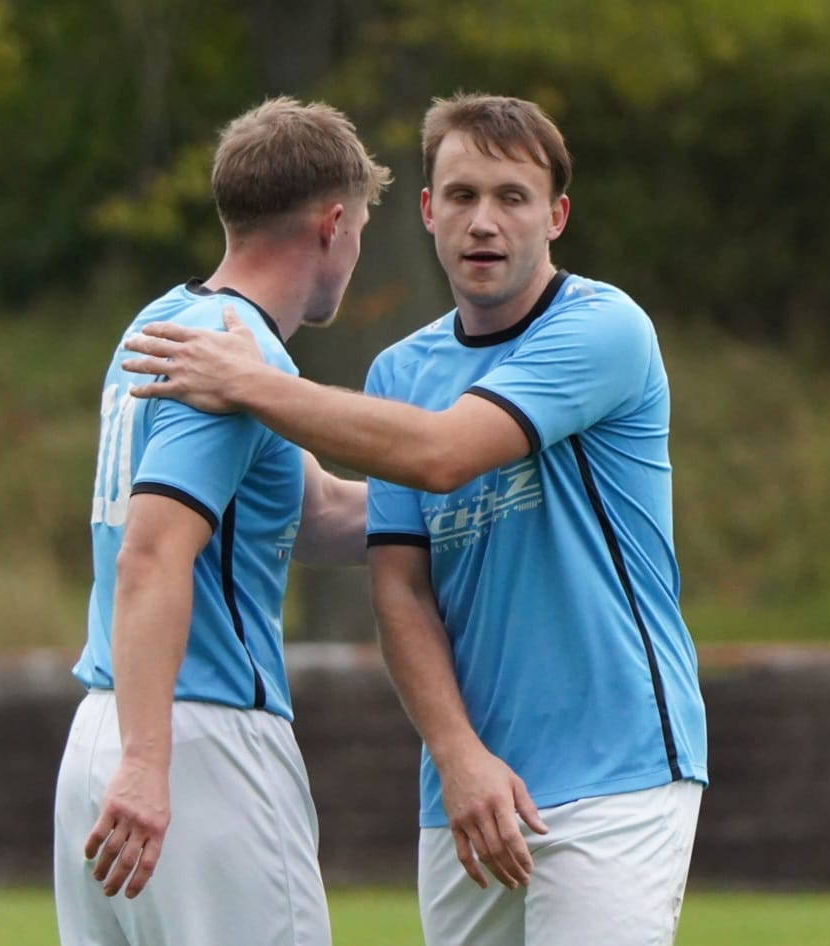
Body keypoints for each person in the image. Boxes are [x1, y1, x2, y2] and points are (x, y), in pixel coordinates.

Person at [121, 92, 709, 946]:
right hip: (465, 791)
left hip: (617, 769)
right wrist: (457, 756)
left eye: (512, 197)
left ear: (556, 216)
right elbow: (399, 589)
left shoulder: (602, 327)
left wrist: (250, 383)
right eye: (462, 195)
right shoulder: (399, 372)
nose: (484, 221)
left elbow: (442, 455)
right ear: (428, 212)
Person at [52, 96, 391, 946]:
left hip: (105, 728)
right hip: (196, 738)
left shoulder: (165, 323)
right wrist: (148, 761)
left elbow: (314, 513)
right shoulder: (239, 359)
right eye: (360, 230)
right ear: (333, 224)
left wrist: (478, 505)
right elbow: (151, 557)